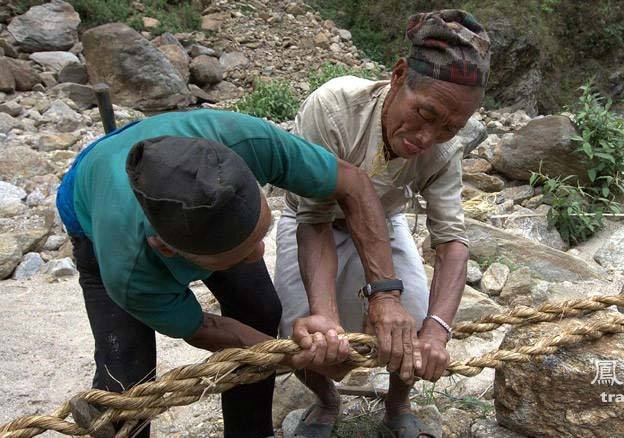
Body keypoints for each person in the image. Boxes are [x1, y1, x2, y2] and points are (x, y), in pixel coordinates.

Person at [55, 109, 407, 438]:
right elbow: (202, 327)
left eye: (260, 236)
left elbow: (353, 184)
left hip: (167, 147)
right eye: (236, 254)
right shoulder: (128, 269)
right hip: (90, 198)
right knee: (127, 378)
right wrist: (293, 357)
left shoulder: (249, 142)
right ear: (168, 250)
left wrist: (385, 293)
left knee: (262, 309)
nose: (259, 255)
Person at [274, 9, 490, 437]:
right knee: (302, 331)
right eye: (425, 113)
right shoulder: (334, 109)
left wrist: (437, 331)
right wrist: (326, 317)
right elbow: (313, 219)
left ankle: (397, 403)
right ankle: (325, 399)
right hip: (314, 219)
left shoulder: (445, 149)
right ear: (398, 75)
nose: (428, 136)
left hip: (385, 223)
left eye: (450, 126)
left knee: (409, 320)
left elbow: (451, 242)